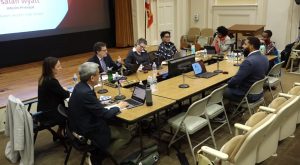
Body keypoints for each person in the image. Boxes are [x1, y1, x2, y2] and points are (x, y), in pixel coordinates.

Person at [68, 62, 131, 164]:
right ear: (92, 78)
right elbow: (105, 114)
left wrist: (99, 105)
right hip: (90, 130)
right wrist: (119, 106)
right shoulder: (86, 93)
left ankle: (99, 151)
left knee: (116, 121)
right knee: (126, 135)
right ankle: (99, 156)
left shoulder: (80, 86)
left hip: (78, 125)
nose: (100, 76)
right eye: (98, 74)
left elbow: (91, 106)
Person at [224, 36, 269, 103]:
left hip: (248, 95)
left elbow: (236, 80)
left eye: (245, 44)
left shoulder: (248, 61)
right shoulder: (264, 58)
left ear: (251, 46)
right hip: (259, 91)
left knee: (221, 90)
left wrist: (226, 84)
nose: (242, 46)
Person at [37, 57, 70, 138]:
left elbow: (57, 92)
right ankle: (71, 136)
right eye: (58, 66)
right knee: (74, 113)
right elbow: (65, 95)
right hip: (50, 113)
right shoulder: (51, 81)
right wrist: (66, 91)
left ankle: (60, 132)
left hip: (43, 110)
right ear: (51, 68)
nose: (61, 68)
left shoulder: (43, 78)